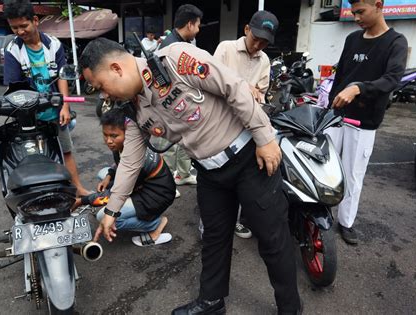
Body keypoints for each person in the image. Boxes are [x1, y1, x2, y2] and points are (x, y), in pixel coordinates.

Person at [79, 38, 301, 314]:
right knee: (214, 240)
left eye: (101, 86)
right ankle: (212, 302)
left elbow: (232, 86)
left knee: (272, 238)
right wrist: (112, 209)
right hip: (209, 173)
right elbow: (130, 161)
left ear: (116, 68)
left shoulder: (174, 60)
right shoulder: (133, 109)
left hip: (248, 159)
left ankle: (290, 308)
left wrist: (265, 136)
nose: (103, 96)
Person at [326, 0, 408, 244]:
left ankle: (346, 222)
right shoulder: (352, 39)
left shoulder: (396, 42)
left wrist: (359, 89)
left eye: (360, 12)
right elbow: (341, 75)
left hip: (363, 122)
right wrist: (330, 104)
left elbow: (392, 79)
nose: (356, 18)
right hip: (336, 116)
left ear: (379, 5)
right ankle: (318, 216)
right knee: (326, 169)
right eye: (353, 13)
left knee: (352, 174)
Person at [2, 0, 89, 196]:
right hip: (28, 116)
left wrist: (65, 106)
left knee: (65, 151)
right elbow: (15, 87)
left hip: (55, 112)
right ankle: (40, 196)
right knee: (33, 157)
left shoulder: (54, 44)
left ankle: (78, 189)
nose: (19, 31)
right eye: (14, 27)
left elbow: (62, 77)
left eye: (23, 26)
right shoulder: (12, 51)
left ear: (35, 20)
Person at [214, 10, 278, 239]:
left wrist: (258, 94)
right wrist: (242, 87)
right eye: (256, 38)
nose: (258, 44)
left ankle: (238, 219)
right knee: (217, 177)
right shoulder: (225, 49)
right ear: (247, 29)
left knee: (244, 176)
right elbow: (212, 83)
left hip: (247, 126)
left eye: (264, 42)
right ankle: (210, 224)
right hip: (220, 124)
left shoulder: (264, 60)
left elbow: (262, 91)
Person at [73, 107, 175, 246]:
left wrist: (83, 201)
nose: (109, 141)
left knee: (103, 216)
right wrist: (109, 176)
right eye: (105, 135)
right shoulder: (124, 146)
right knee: (102, 173)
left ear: (129, 133)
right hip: (143, 185)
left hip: (156, 196)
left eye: (114, 136)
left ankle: (154, 223)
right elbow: (121, 165)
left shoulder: (138, 157)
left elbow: (119, 192)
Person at [158, 4, 204, 197]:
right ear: (190, 24)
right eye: (198, 25)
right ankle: (167, 184)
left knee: (186, 143)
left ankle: (184, 174)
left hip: (187, 103)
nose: (199, 29)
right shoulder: (170, 46)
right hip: (170, 104)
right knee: (168, 145)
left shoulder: (185, 43)